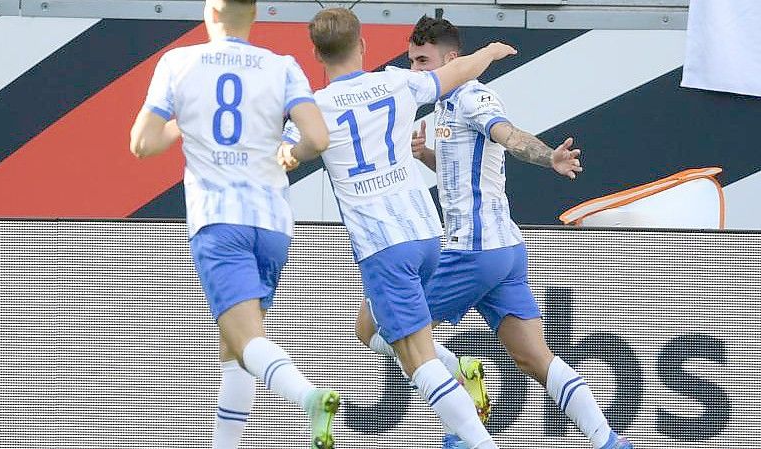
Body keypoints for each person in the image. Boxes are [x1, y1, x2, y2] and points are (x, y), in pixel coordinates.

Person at [355, 15, 634, 449]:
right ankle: (609, 441)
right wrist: (427, 154)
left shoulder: (472, 96)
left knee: (372, 326)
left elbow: (507, 134)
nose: (415, 71)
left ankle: (468, 419)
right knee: (534, 358)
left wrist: (548, 158)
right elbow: (464, 173)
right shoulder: (443, 105)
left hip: (473, 250)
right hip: (504, 252)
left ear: (452, 59)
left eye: (422, 61)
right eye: (411, 61)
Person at [278, 8, 517, 449]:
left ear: (315, 53)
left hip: (382, 245)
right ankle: (459, 368)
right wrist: (489, 51)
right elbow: (456, 71)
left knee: (418, 362)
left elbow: (289, 151)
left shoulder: (316, 108)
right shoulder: (394, 81)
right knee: (368, 329)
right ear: (363, 45)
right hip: (426, 234)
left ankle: (480, 440)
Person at [128, 1, 340, 448]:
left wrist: (182, 128)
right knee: (235, 349)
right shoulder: (282, 66)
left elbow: (142, 144)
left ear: (211, 11)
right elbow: (318, 138)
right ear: (254, 13)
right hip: (273, 224)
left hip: (219, 220)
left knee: (246, 341)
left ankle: (308, 396)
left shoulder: (179, 62)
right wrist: (291, 154)